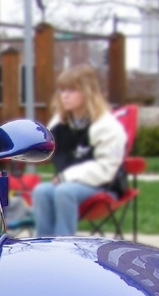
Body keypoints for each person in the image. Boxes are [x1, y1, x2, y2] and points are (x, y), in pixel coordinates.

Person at [31, 65, 127, 237]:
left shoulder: (107, 125)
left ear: (87, 92)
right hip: (65, 183)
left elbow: (106, 169)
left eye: (71, 90)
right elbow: (45, 149)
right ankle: (42, 248)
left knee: (64, 191)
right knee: (41, 191)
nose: (64, 96)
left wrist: (66, 177)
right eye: (62, 90)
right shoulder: (60, 122)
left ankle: (64, 249)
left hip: (103, 185)